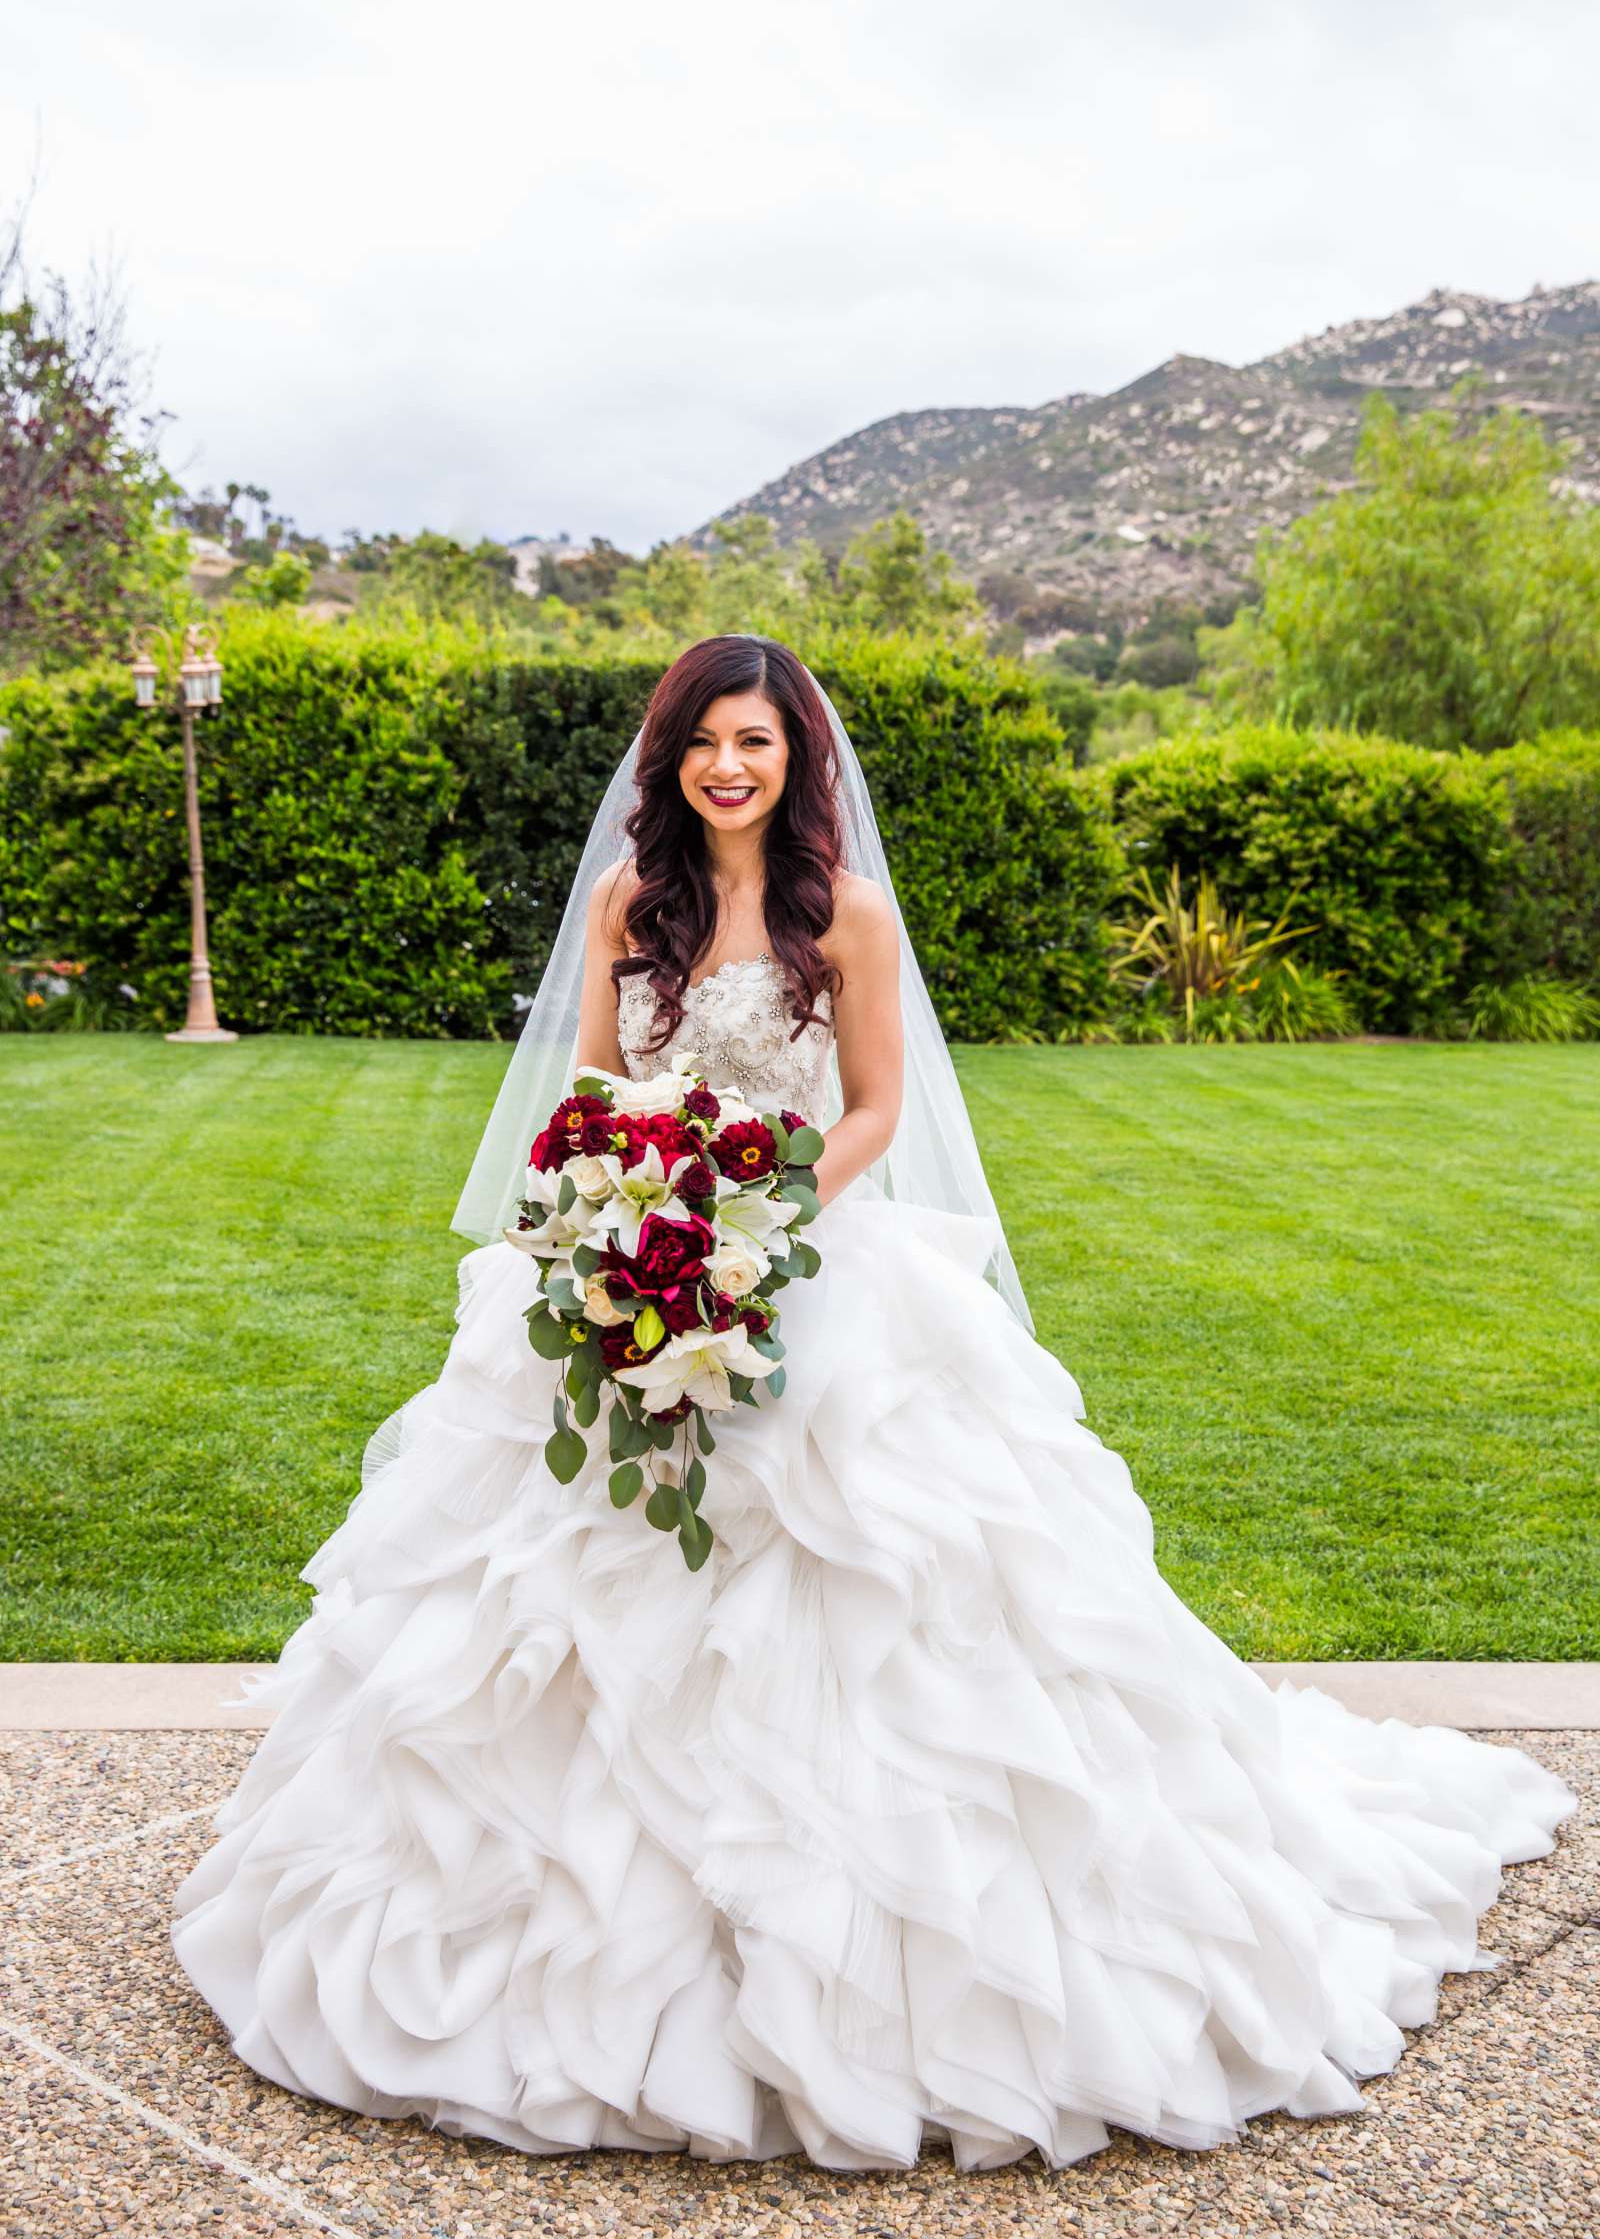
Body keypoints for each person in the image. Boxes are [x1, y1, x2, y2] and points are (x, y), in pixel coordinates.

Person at [170, 631, 1577, 2175]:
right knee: (534, 1598)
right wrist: (608, 1210)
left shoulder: (846, 914)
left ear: (796, 762)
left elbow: (878, 1110)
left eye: (757, 742)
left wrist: (747, 1222)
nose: (729, 765)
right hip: (619, 1256)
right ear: (670, 759)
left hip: (803, 1269)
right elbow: (584, 1083)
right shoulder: (625, 905)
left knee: (867, 1586)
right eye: (705, 739)